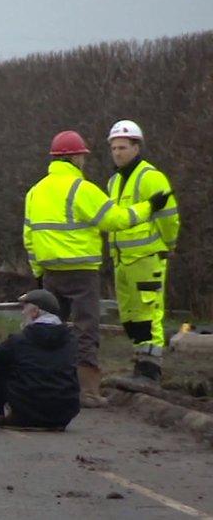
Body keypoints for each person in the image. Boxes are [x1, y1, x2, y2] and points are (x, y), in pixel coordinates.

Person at [23, 130, 167, 407]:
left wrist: (38, 270)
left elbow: (29, 236)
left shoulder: (35, 191)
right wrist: (149, 208)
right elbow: (115, 219)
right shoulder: (82, 189)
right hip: (81, 269)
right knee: (85, 329)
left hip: (50, 271)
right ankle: (87, 392)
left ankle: (49, 383)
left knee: (50, 328)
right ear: (76, 157)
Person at [105, 120, 179, 384]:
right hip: (123, 259)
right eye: (114, 148)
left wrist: (168, 245)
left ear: (137, 147)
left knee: (149, 314)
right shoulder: (114, 181)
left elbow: (169, 216)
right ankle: (140, 363)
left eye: (123, 147)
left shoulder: (151, 177)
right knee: (131, 316)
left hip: (147, 257)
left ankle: (150, 370)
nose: (117, 153)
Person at [0, 290, 80, 430]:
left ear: (35, 312)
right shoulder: (71, 340)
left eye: (24, 307)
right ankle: (54, 417)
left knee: (4, 366)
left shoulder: (19, 340)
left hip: (26, 412)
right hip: (64, 414)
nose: (22, 313)